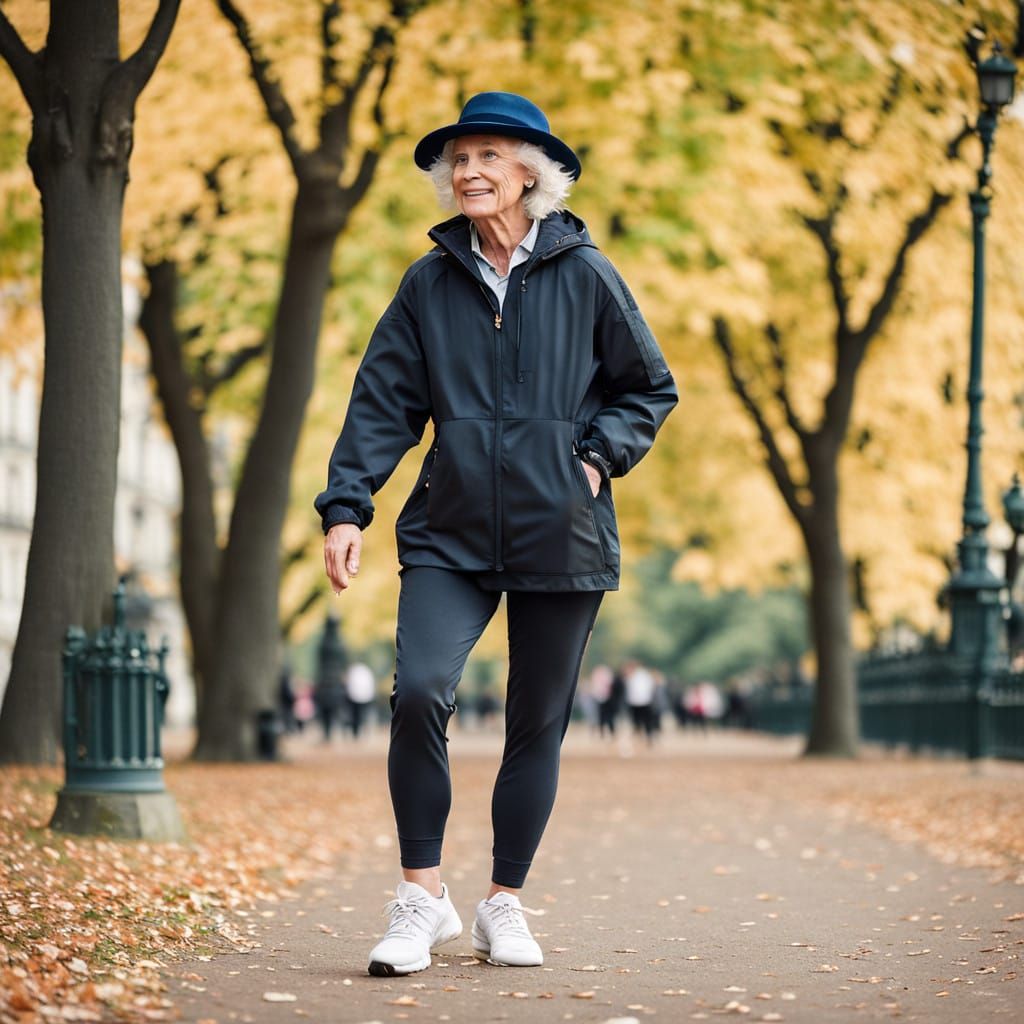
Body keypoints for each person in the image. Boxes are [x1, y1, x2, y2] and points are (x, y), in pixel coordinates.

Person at [315, 91, 677, 977]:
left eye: (486, 156)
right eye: (457, 160)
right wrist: (347, 505)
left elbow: (648, 389)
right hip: (450, 526)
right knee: (418, 694)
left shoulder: (587, 273)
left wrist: (593, 460)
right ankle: (420, 900)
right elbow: (381, 402)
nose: (467, 172)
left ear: (531, 172)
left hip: (563, 529)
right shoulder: (428, 283)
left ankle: (503, 905)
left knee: (536, 723)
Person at [345, 660, 377, 738]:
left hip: (356, 697)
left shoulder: (353, 670)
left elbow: (349, 683)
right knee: (364, 716)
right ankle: (364, 732)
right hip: (365, 697)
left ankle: (356, 733)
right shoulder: (366, 670)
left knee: (356, 716)